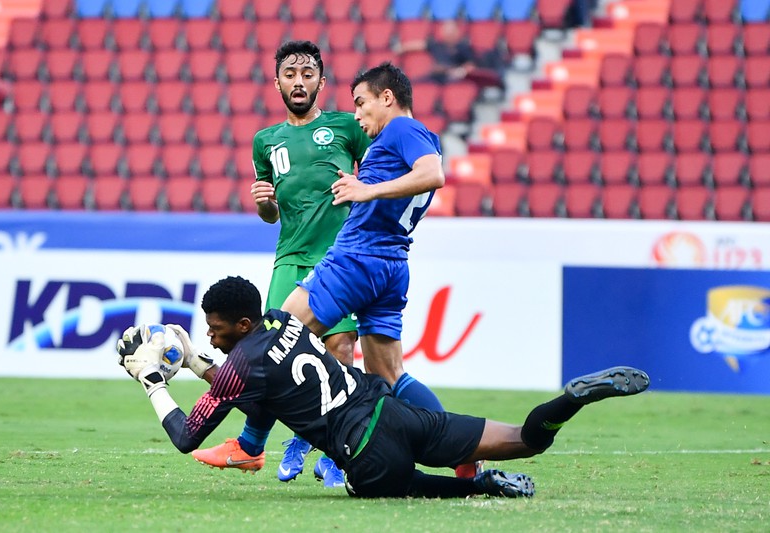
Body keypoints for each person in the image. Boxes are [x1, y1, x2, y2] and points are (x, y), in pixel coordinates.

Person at [116, 275, 651, 499]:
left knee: (405, 487)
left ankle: (483, 487)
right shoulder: (281, 321)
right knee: (526, 438)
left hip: (365, 453)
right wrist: (193, 359)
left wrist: (153, 383)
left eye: (216, 328)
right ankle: (569, 400)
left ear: (241, 325)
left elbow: (188, 435)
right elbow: (251, 385)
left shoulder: (242, 365)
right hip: (392, 410)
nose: (212, 334)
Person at [191, 43, 449, 486]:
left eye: (363, 104)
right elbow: (405, 172)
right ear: (276, 82)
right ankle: (453, 442)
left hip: (350, 259)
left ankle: (263, 443)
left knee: (278, 346)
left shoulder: (374, 130)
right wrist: (266, 206)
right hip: (356, 258)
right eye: (289, 73)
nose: (361, 116)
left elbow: (426, 171)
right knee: (387, 373)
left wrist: (364, 191)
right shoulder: (267, 141)